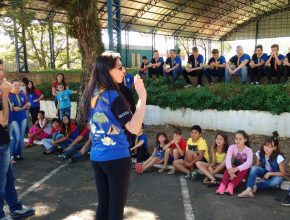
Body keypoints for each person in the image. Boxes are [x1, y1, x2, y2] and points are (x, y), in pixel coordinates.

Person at [87, 51, 146, 220]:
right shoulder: (114, 96)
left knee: (104, 204)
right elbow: (134, 128)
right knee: (115, 208)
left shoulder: (94, 93)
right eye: (120, 67)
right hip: (117, 158)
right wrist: (142, 97)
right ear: (107, 70)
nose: (123, 70)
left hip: (97, 156)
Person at [0, 59, 35, 219]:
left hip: (3, 141)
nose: (2, 74)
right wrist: (5, 95)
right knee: (1, 182)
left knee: (9, 178)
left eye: (2, 70)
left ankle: (15, 207)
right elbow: (3, 120)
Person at [238, 131, 286, 198]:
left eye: (269, 147)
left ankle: (257, 186)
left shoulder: (278, 157)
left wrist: (270, 173)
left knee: (278, 180)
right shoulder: (260, 153)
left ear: (274, 148)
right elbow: (256, 166)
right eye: (265, 145)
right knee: (254, 168)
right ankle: (248, 189)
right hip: (264, 173)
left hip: (275, 175)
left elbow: (283, 173)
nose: (266, 148)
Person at [216, 130, 253, 195]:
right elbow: (228, 159)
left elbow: (249, 163)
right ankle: (222, 186)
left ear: (245, 139)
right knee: (228, 167)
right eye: (236, 139)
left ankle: (231, 185)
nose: (237, 141)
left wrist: (236, 169)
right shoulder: (232, 147)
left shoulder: (248, 150)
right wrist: (230, 169)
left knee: (245, 168)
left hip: (245, 171)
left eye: (240, 139)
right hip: (234, 169)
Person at [8, 79, 30, 163]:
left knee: (21, 138)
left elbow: (27, 103)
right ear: (11, 86)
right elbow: (14, 108)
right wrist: (23, 107)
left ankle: (18, 154)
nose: (17, 87)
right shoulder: (9, 95)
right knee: (15, 137)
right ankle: (11, 156)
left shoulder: (22, 94)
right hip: (13, 119)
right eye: (15, 85)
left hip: (23, 117)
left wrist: (28, 105)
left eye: (18, 85)